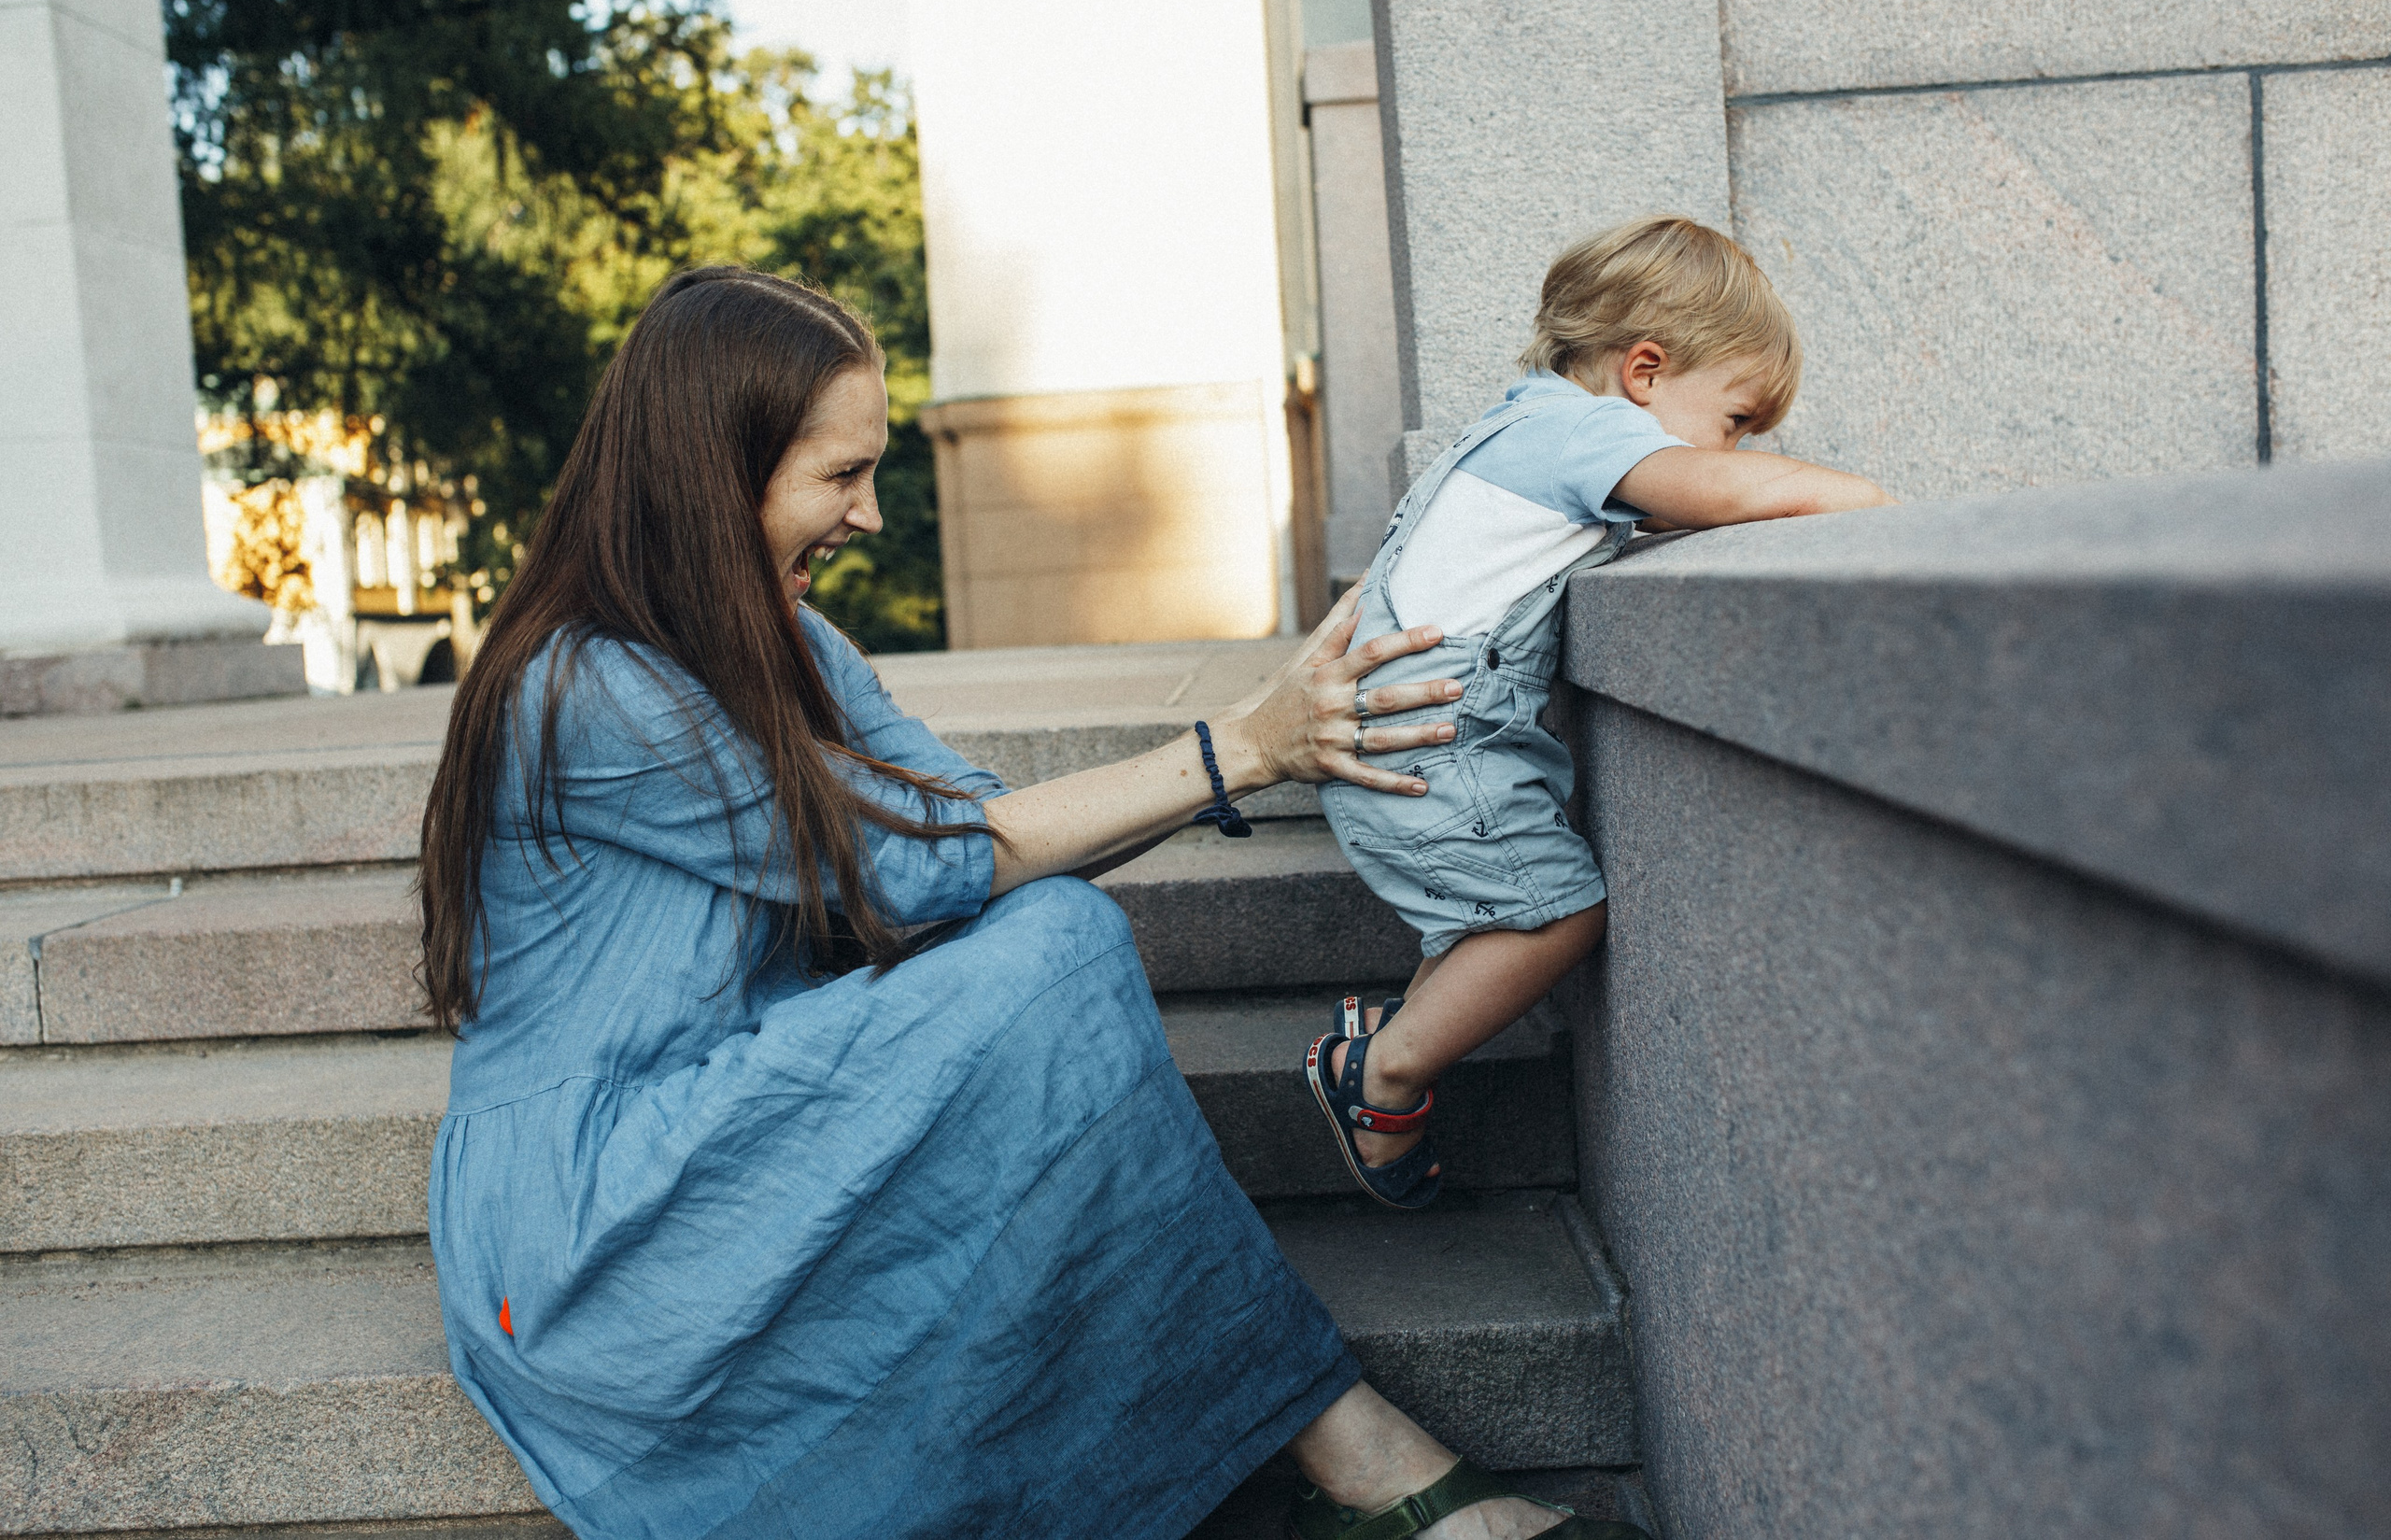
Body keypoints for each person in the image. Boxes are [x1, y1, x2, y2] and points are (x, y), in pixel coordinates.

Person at [417, 266, 1644, 1540]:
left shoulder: (804, 651)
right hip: (597, 1222)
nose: (873, 513)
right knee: (1050, 951)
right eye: (841, 476)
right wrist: (1248, 746)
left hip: (742, 1106)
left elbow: (974, 830)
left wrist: (1250, 746)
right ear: (714, 473)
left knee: (1048, 938)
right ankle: (1358, 1452)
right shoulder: (585, 689)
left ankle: (1344, 1454)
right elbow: (921, 861)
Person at [1309, 216, 1893, 1209]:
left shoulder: (1519, 425)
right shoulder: (1584, 434)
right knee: (1555, 917)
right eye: (1739, 418)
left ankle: (1386, 1040)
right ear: (1645, 372)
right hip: (1434, 752)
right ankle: (1383, 1075)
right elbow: (1715, 492)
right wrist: (1868, 500)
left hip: (1418, 739)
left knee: (1497, 912)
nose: (1743, 443)